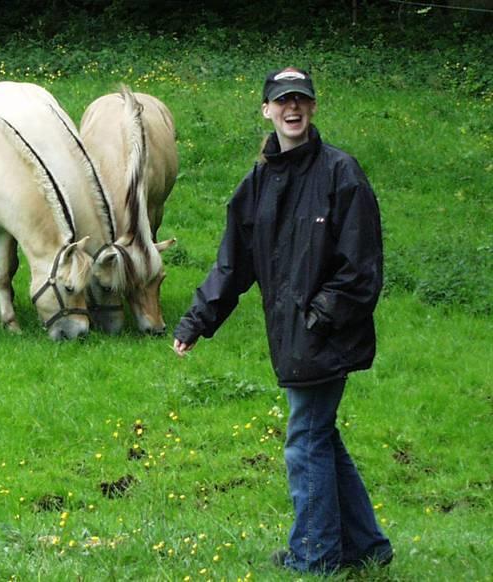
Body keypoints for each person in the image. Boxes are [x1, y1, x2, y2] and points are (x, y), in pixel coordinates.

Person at [172, 67, 393, 574]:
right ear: (267, 110)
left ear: (313, 108)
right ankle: (366, 546)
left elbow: (361, 269)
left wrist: (320, 318)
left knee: (305, 441)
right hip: (293, 338)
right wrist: (196, 321)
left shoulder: (342, 174)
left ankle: (315, 556)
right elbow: (234, 263)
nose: (292, 108)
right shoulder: (258, 184)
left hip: (326, 337)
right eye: (282, 101)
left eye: (301, 100)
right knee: (320, 436)